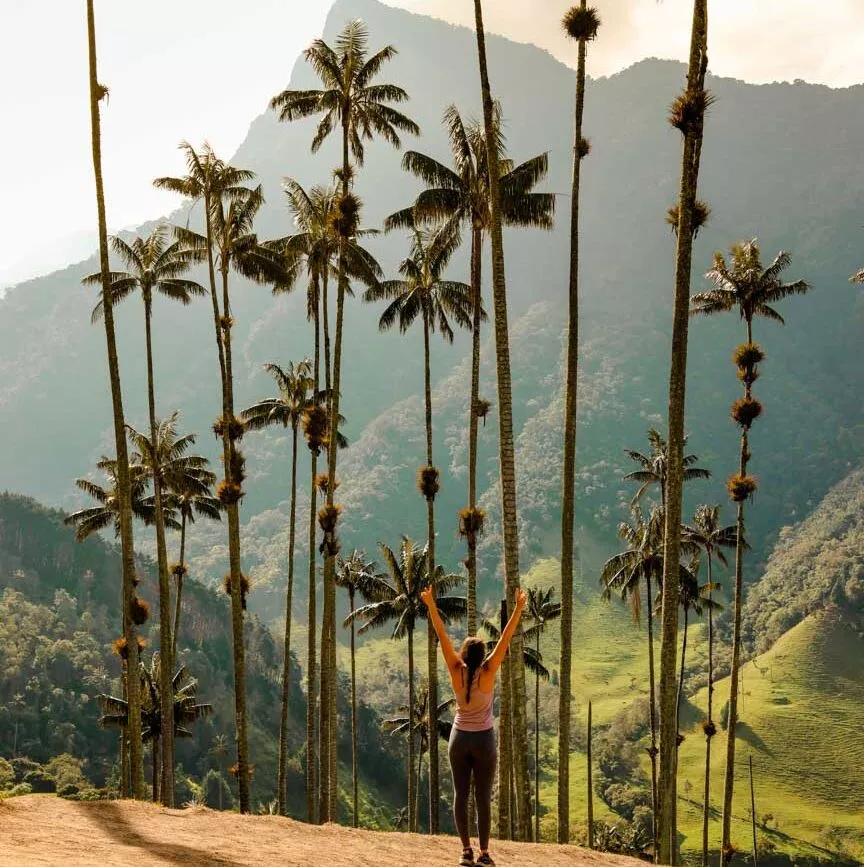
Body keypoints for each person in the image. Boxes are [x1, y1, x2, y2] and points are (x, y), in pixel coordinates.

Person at [422, 585, 527, 867]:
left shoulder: (455, 670)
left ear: (464, 654)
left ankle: (465, 851)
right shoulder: (489, 671)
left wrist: (431, 605)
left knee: (460, 794)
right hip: (483, 740)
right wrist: (518, 608)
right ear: (482, 656)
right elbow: (505, 638)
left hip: (459, 739)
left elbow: (442, 635)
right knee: (482, 797)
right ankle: (484, 854)